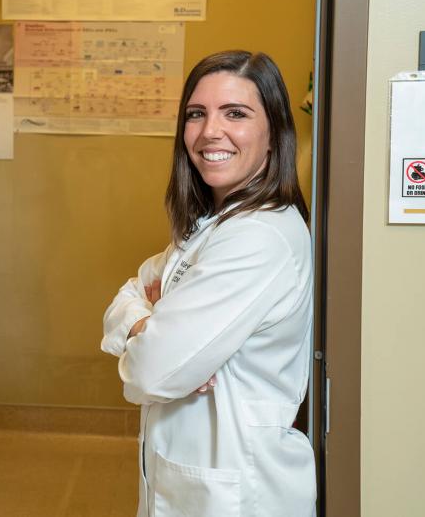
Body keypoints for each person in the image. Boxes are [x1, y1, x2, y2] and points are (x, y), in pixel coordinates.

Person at [102, 51, 315, 516]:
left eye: (235, 114)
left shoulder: (259, 237)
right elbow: (126, 296)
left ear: (274, 134)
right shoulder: (210, 226)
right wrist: (147, 325)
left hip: (240, 490)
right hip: (192, 476)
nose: (209, 132)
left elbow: (151, 373)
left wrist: (153, 337)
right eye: (196, 114)